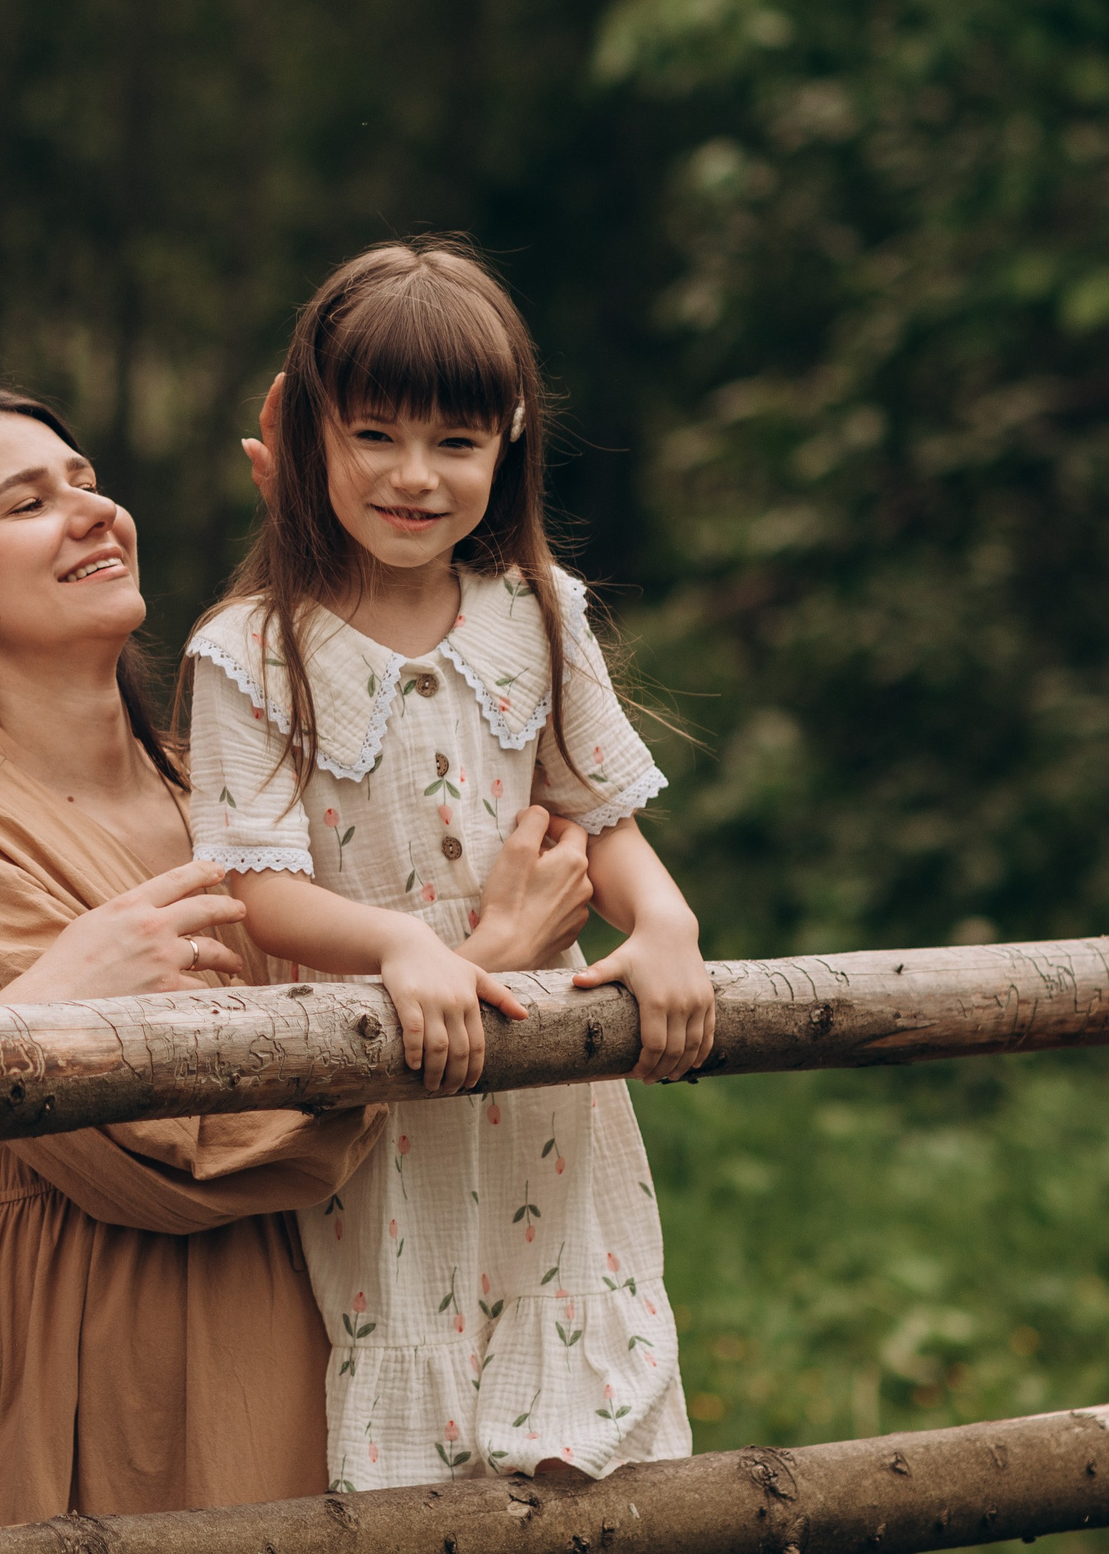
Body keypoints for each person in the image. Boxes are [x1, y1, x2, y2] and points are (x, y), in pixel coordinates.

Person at [0, 388, 596, 1529]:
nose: (91, 512)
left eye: (86, 480)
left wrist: (338, 509)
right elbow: (180, 1159)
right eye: (28, 501)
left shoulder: (226, 790)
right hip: (71, 1355)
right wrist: (494, 958)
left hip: (301, 1315)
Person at [184, 237, 714, 1492]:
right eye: (374, 434)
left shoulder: (538, 608)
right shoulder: (250, 651)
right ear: (310, 432)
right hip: (389, 1069)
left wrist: (669, 924)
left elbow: (602, 814)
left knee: (584, 1380)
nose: (413, 477)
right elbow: (254, 882)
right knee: (421, 1406)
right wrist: (398, 946)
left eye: (456, 443)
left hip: (548, 1074)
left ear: (510, 440)